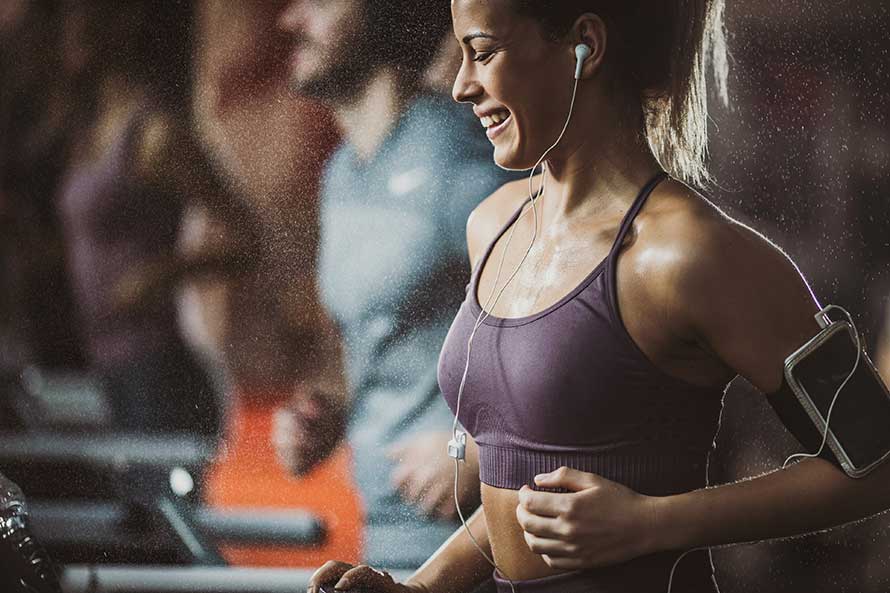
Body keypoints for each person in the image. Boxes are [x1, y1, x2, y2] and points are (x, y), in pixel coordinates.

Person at [306, 1, 890, 592]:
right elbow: (522, 488)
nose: (460, 85)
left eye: (482, 52)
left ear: (584, 42)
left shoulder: (686, 253)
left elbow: (878, 462)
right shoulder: (492, 227)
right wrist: (420, 587)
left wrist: (654, 522)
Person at [273, 0, 519, 571]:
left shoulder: (459, 156)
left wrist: (481, 449)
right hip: (384, 532)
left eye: (319, 3)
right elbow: (380, 344)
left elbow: (573, 321)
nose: (290, 20)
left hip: (475, 544)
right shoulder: (342, 172)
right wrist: (329, 413)